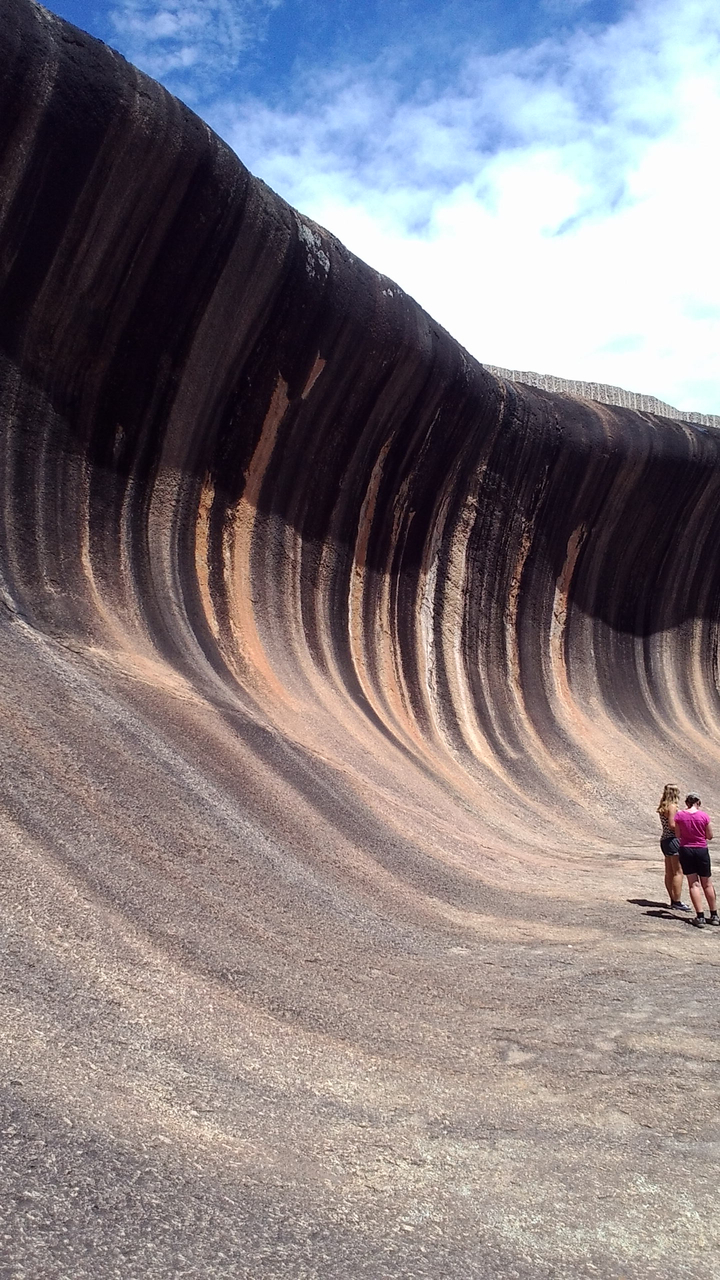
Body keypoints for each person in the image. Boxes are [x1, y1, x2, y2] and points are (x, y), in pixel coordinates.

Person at [674, 793, 720, 928]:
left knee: (693, 884)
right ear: (698, 802)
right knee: (707, 883)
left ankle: (700, 916)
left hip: (686, 849)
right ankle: (714, 914)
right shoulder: (703, 816)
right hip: (701, 850)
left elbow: (677, 834)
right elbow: (710, 836)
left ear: (687, 802)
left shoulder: (680, 815)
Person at [656, 783, 690, 911]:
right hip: (673, 839)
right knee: (678, 872)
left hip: (665, 840)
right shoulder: (672, 807)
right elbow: (672, 825)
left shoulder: (663, 806)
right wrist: (685, 830)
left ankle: (673, 899)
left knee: (669, 871)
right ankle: (677, 901)